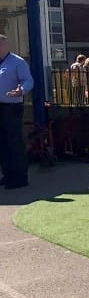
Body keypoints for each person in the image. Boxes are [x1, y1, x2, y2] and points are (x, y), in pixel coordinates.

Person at [0, 34, 34, 190]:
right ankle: (7, 175)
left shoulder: (17, 62)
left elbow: (28, 80)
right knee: (3, 143)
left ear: (5, 45)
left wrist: (21, 90)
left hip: (11, 107)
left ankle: (20, 178)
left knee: (14, 141)